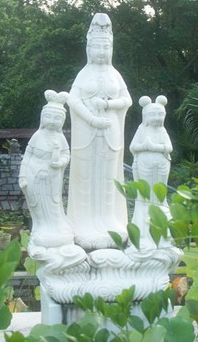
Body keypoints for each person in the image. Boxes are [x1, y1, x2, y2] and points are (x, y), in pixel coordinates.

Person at [67, 13, 132, 250]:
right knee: (86, 177)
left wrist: (108, 104)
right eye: (97, 47)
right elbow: (72, 99)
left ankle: (109, 220)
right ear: (89, 48)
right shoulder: (84, 74)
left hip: (110, 133)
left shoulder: (115, 75)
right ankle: (84, 222)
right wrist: (92, 118)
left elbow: (127, 100)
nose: (102, 52)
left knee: (108, 177)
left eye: (106, 47)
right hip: (87, 132)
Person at [19, 90, 74, 248]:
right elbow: (27, 156)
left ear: (62, 121)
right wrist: (22, 175)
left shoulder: (60, 137)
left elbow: (66, 154)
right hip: (34, 170)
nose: (51, 121)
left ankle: (56, 228)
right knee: (36, 202)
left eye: (57, 118)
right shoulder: (37, 135)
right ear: (42, 117)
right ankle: (41, 227)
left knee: (53, 202)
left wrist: (60, 162)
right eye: (48, 116)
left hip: (52, 174)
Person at [129, 95, 173, 250]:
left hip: (161, 164)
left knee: (159, 194)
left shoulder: (162, 130)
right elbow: (133, 147)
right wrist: (144, 146)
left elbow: (169, 148)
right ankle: (144, 226)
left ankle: (161, 223)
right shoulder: (142, 129)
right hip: (144, 164)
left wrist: (155, 147)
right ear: (145, 116)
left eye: (160, 114)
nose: (156, 117)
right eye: (152, 114)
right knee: (145, 195)